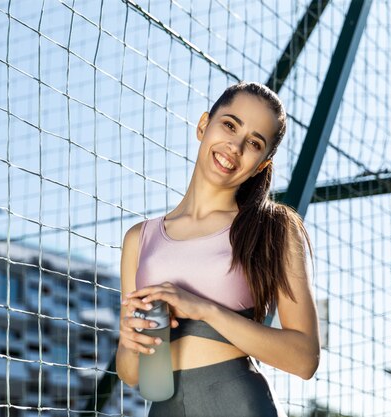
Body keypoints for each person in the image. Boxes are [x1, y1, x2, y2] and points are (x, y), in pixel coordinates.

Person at [116, 81, 321, 417]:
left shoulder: (272, 228)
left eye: (254, 143)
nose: (235, 146)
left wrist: (204, 309)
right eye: (229, 125)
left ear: (261, 165)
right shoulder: (139, 238)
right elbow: (131, 372)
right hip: (164, 406)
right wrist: (129, 340)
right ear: (203, 125)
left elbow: (304, 359)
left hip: (237, 403)